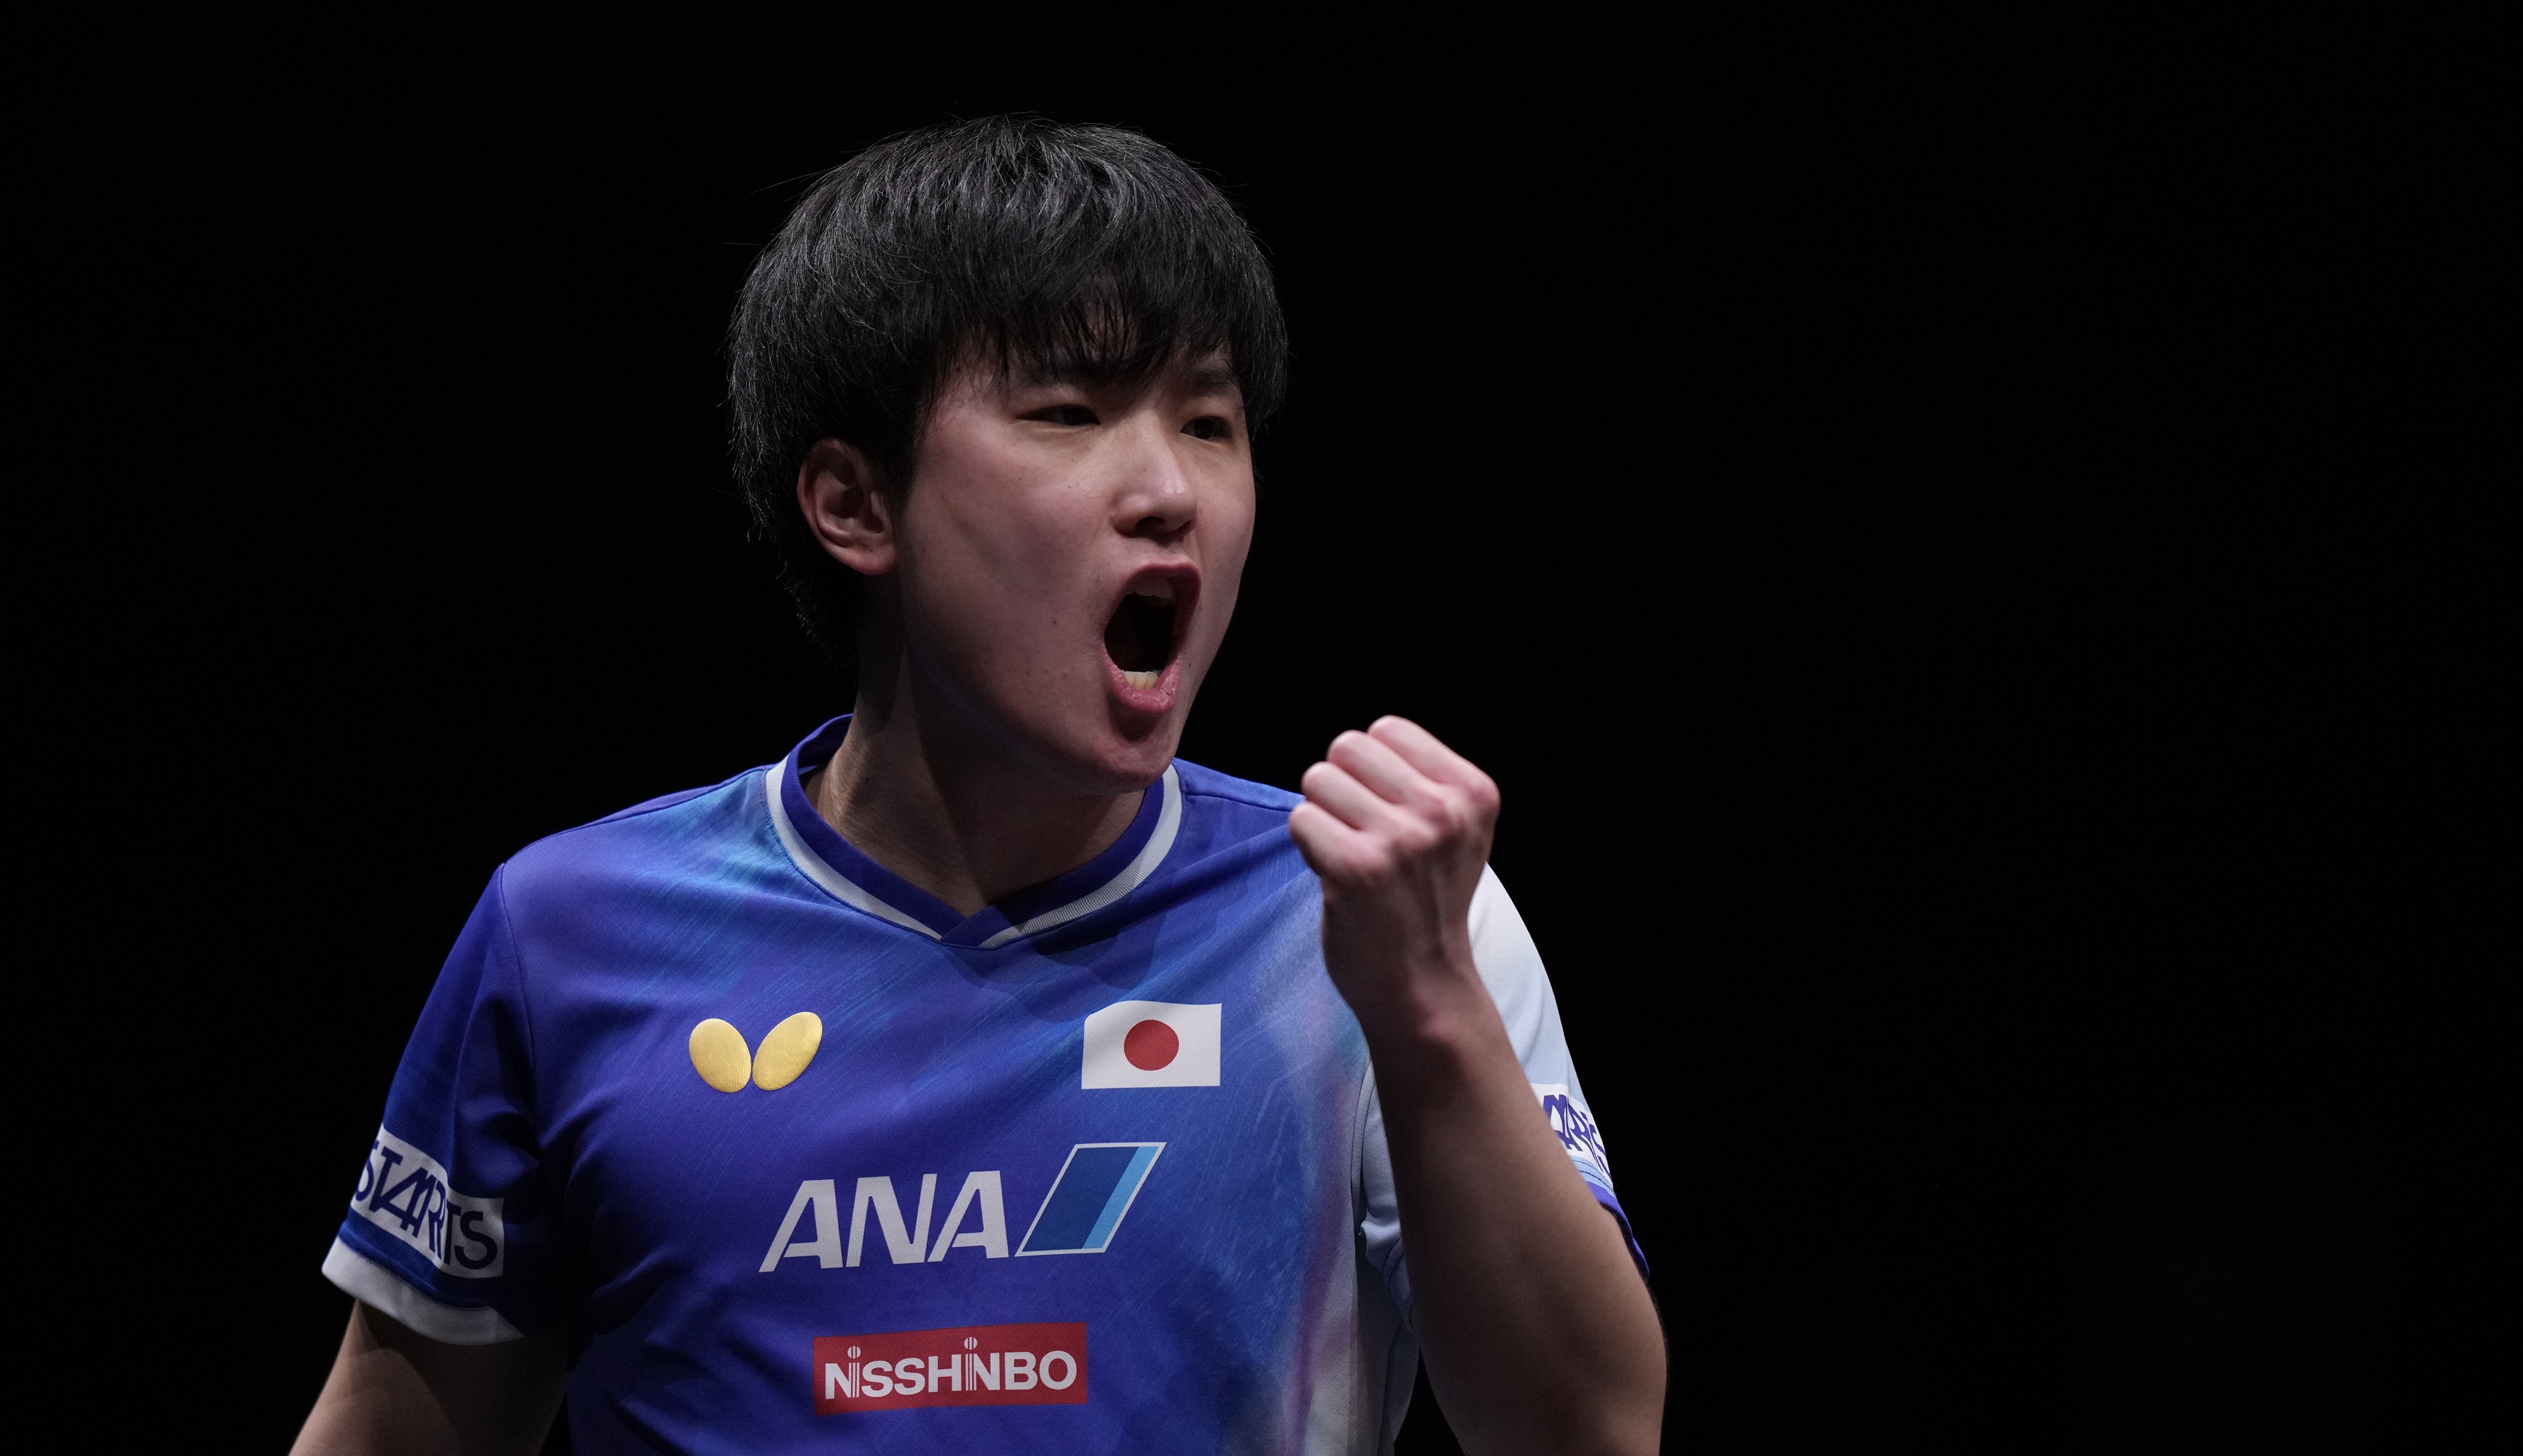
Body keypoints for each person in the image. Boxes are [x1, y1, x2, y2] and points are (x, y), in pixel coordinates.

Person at [293, 116, 1664, 1455]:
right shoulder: (570, 934)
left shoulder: (1374, 920)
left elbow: (1591, 1430)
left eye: (1209, 420)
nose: (1170, 488)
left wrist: (1427, 1010)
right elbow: (395, 1422)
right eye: (1069, 413)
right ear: (855, 504)